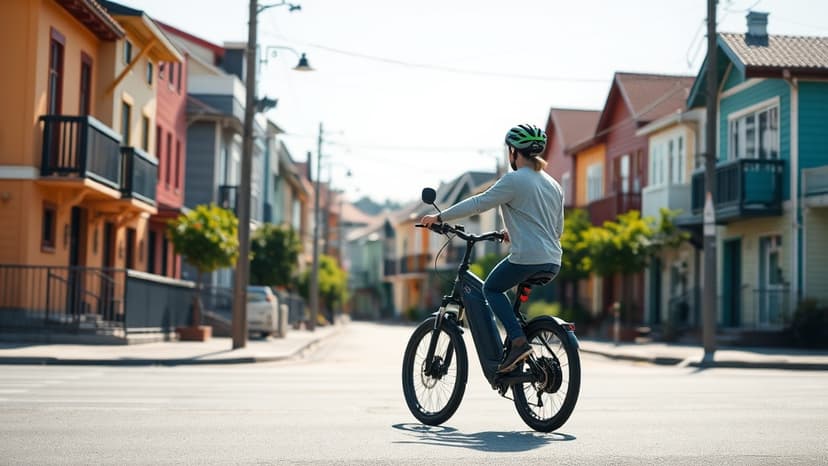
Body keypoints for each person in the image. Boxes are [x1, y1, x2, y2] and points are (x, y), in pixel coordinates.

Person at [420, 124, 564, 373]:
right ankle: (519, 342)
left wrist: (441, 217)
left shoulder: (514, 180)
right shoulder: (554, 185)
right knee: (507, 298)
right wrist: (515, 231)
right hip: (553, 260)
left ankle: (518, 342)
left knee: (491, 288)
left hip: (527, 257)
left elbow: (478, 203)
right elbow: (555, 228)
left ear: (513, 152)